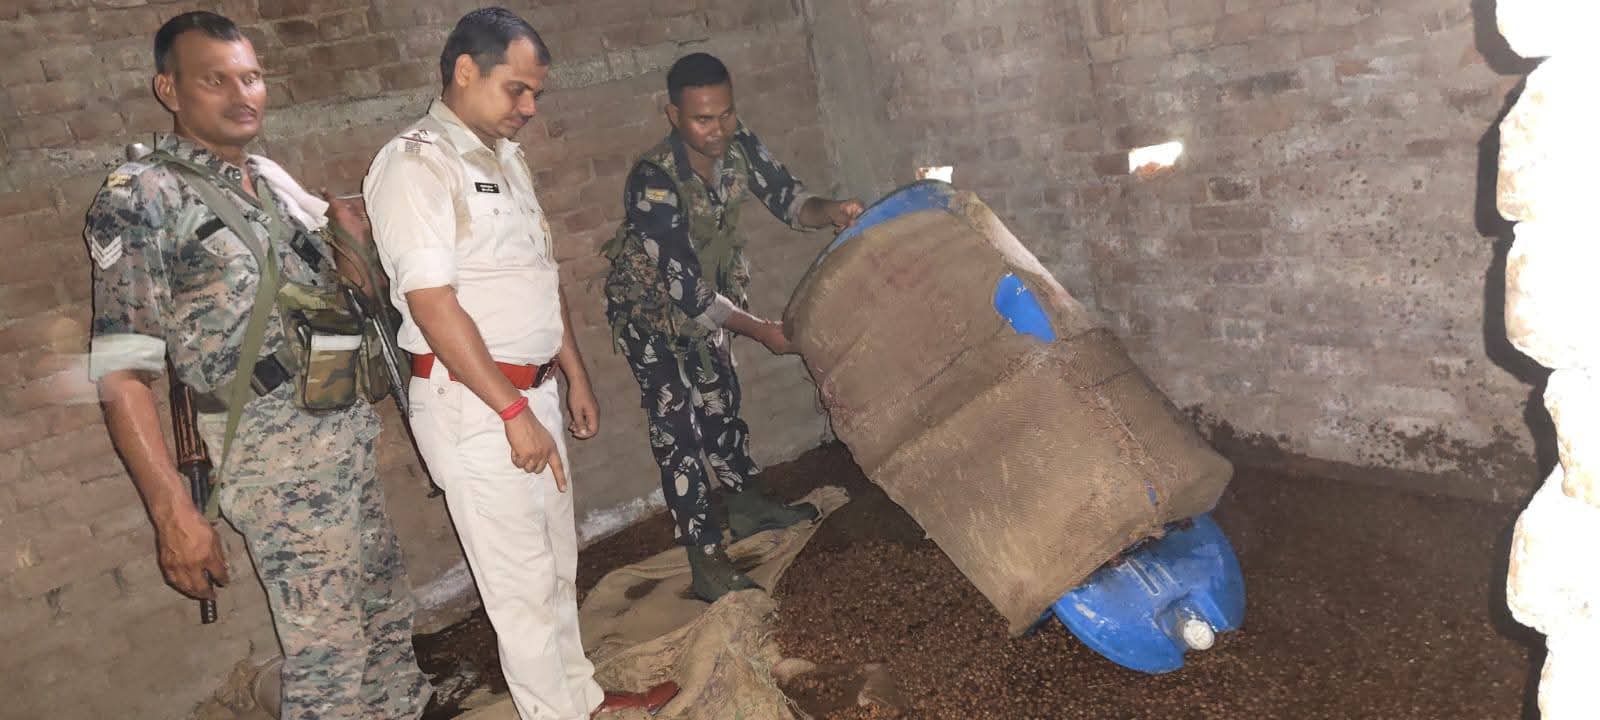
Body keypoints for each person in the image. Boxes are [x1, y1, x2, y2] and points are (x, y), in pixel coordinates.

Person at [85, 11, 430, 719]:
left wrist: (348, 243)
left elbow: (334, 303)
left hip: (342, 434)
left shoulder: (269, 183)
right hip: (274, 462)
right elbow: (122, 373)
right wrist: (172, 511)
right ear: (169, 89)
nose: (242, 94)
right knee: (329, 658)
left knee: (385, 615)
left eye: (251, 77)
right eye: (215, 80)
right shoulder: (142, 196)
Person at [362, 9, 677, 719]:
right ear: (464, 71)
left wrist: (573, 374)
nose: (529, 107)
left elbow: (538, 275)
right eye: (517, 89)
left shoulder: (503, 156)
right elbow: (433, 304)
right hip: (476, 405)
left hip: (529, 395)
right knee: (520, 590)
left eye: (536, 93)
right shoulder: (416, 164)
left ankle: (583, 700)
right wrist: (510, 408)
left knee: (557, 565)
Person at [601, 52, 865, 602]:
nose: (718, 129)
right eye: (703, 119)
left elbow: (789, 199)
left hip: (711, 305)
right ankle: (706, 559)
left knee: (721, 406)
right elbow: (685, 289)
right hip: (653, 319)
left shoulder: (737, 143)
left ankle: (747, 508)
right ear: (674, 115)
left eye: (725, 114)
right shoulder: (653, 181)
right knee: (679, 434)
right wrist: (760, 329)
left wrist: (831, 210)